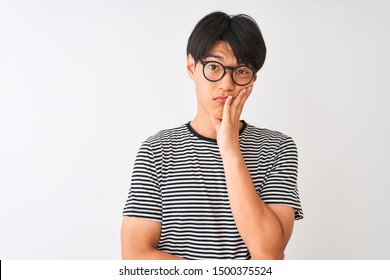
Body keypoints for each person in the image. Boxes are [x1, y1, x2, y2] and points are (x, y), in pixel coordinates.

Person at [121, 11, 303, 260]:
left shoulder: (277, 148)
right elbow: (135, 255)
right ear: (191, 67)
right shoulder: (158, 149)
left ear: (252, 79)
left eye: (241, 71)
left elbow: (268, 255)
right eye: (214, 67)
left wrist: (230, 151)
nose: (227, 84)